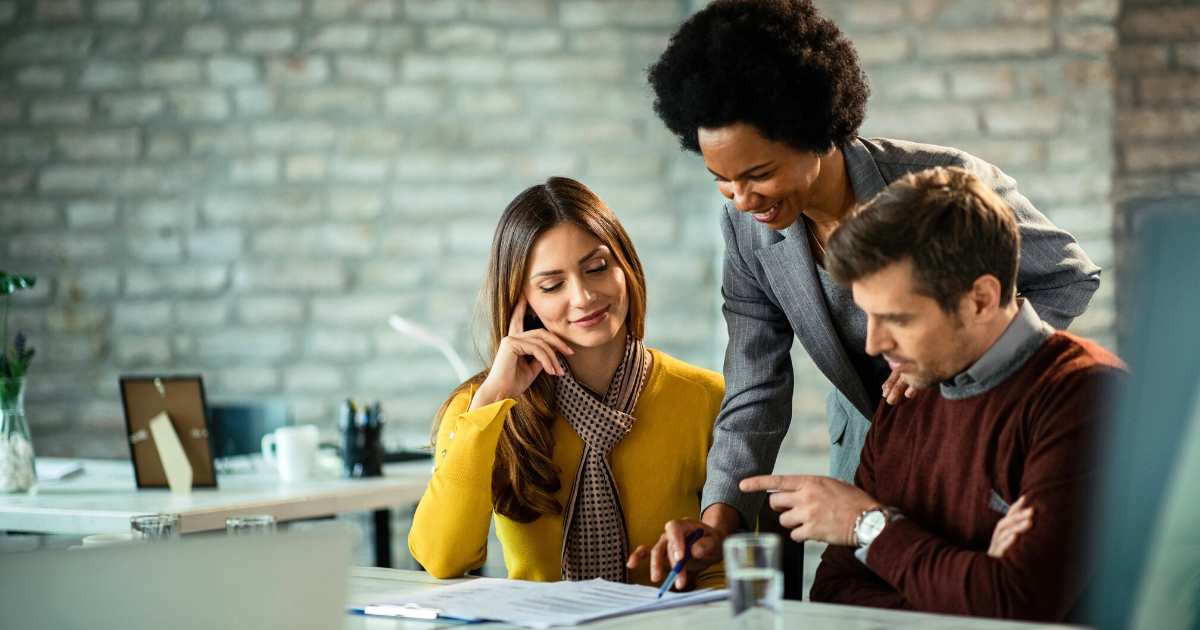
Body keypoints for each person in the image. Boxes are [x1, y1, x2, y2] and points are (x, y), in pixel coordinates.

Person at [637, 0, 1101, 583]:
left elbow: (1068, 275)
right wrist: (721, 517)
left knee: (963, 592)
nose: (741, 198)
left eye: (757, 174)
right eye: (721, 180)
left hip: (969, 439)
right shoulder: (745, 229)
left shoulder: (941, 185)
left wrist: (956, 362)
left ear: (815, 133)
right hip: (868, 454)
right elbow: (756, 383)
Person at [734, 167, 1124, 620]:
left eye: (898, 319)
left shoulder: (1088, 396)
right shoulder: (905, 398)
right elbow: (833, 594)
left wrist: (869, 525)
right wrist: (971, 582)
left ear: (980, 299)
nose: (873, 346)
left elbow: (1015, 608)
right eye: (868, 316)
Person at [408, 177, 725, 589]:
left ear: (625, 266)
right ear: (523, 302)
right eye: (552, 285)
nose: (583, 296)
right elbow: (442, 557)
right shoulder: (481, 407)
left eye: (597, 268)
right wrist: (493, 399)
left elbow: (730, 564)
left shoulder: (704, 397)